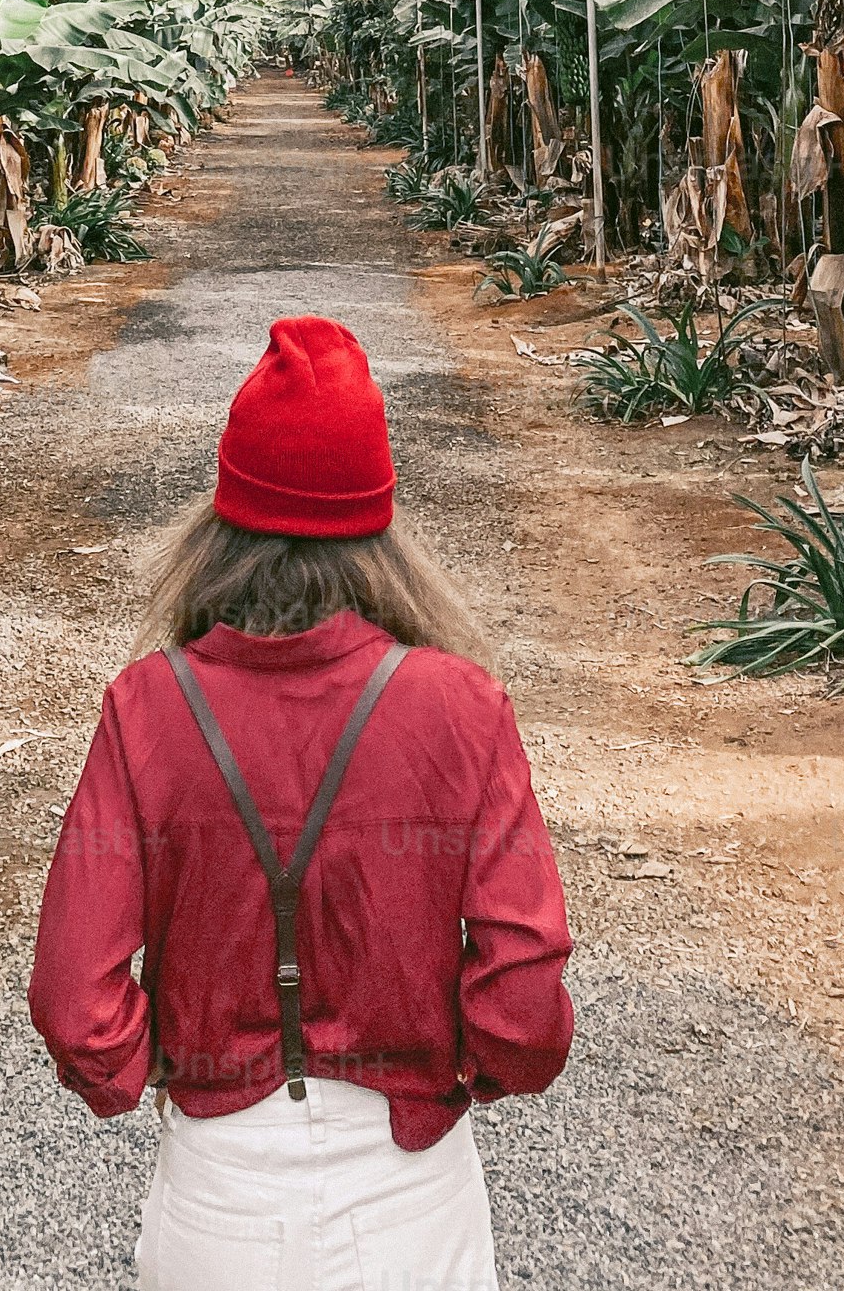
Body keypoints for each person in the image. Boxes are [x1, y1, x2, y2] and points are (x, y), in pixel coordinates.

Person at [29, 314, 573, 1289]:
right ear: (380, 527)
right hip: (411, 1208)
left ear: (222, 521)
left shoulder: (148, 706)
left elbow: (76, 1000)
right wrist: (479, 1064)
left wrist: (149, 1065)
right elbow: (524, 998)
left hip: (216, 1205)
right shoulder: (463, 708)